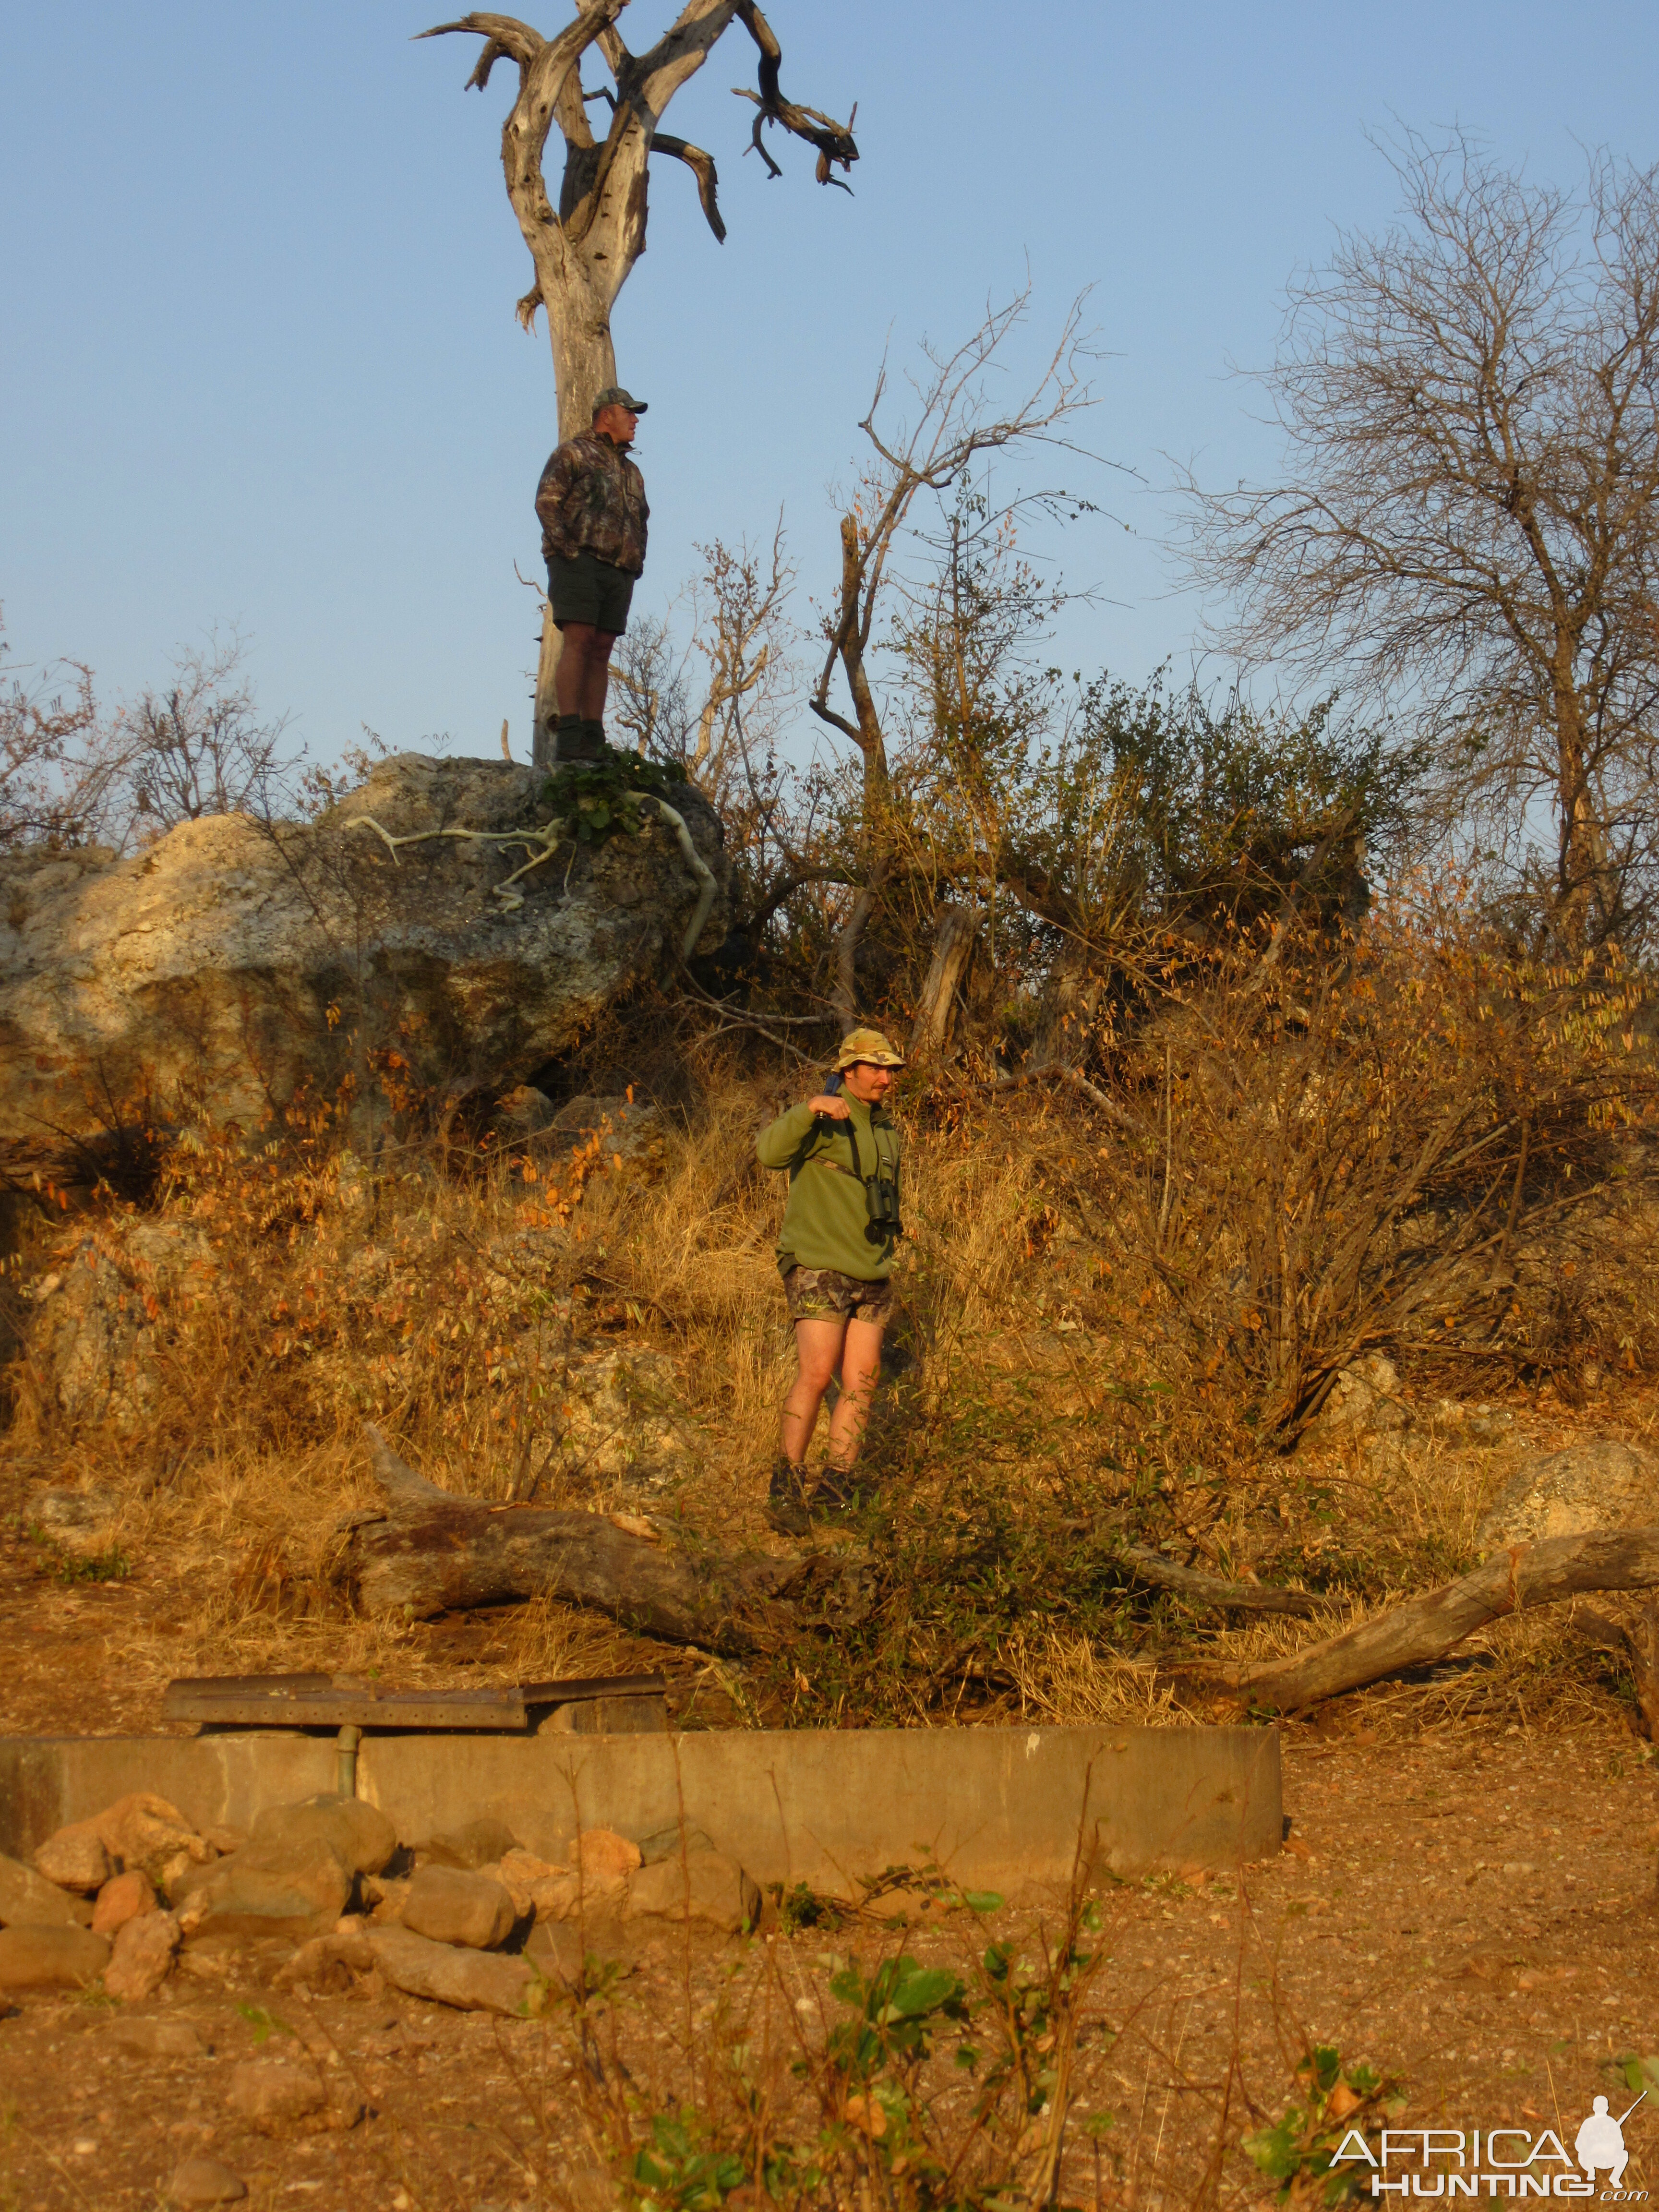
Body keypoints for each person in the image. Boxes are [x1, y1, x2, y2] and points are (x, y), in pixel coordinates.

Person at [755, 1027, 906, 1534]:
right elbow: (769, 1154)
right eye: (876, 1068)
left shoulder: (887, 1129)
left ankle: (837, 1491)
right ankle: (786, 1488)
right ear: (848, 1070)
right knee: (818, 1375)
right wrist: (809, 1108)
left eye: (891, 1070)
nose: (886, 1078)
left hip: (873, 1270)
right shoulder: (821, 1116)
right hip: (819, 1263)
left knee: (862, 1384)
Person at [534, 385, 649, 761]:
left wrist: (636, 563)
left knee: (602, 650)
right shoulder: (573, 453)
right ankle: (569, 735)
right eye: (628, 412)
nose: (635, 420)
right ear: (606, 416)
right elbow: (547, 502)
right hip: (579, 562)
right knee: (579, 641)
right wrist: (567, 552)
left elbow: (643, 519)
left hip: (620, 570)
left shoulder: (633, 472)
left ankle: (593, 736)